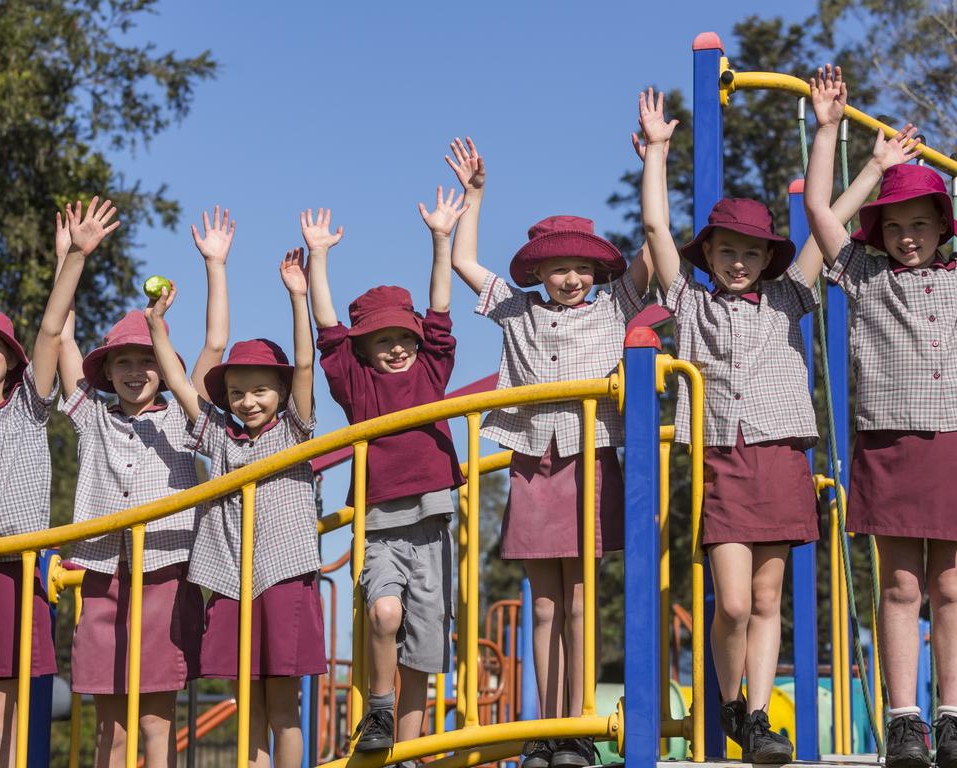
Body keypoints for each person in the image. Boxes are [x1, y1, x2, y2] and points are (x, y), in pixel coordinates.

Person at [639, 85, 829, 763]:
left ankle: (754, 717)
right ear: (711, 253)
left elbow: (825, 222)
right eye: (727, 251)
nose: (740, 262)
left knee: (770, 595)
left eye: (752, 252)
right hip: (723, 455)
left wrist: (827, 131)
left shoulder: (787, 299)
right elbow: (658, 233)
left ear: (767, 258)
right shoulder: (688, 306)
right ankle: (726, 696)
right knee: (735, 603)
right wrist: (659, 154)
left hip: (781, 455)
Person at [448, 136, 652, 768]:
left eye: (581, 267)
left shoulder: (618, 304)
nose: (571, 278)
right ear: (535, 273)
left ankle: (577, 728)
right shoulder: (517, 312)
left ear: (598, 273)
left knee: (581, 602)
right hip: (535, 463)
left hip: (591, 457)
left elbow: (654, 243)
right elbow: (463, 262)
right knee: (542, 604)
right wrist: (474, 197)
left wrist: (654, 163)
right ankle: (544, 728)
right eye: (558, 268)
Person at [804, 64, 957, 768]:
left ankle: (951, 712)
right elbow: (820, 215)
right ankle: (905, 718)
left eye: (921, 224)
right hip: (890, 441)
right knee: (900, 582)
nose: (907, 237)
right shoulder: (865, 277)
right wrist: (831, 131)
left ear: (942, 229)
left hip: (952, 438)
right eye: (894, 227)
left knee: (952, 583)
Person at [0, 196, 116, 767]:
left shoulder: (29, 407)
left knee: (1, 730)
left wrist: (75, 259)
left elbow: (50, 328)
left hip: (14, 573)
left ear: (12, 362)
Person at [59, 206, 235, 767]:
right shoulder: (93, 418)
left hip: (165, 568)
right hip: (104, 570)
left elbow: (214, 344)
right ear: (106, 373)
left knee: (156, 721)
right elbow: (59, 335)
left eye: (147, 360)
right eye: (123, 362)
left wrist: (214, 265)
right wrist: (71, 258)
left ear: (164, 368)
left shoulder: (185, 419)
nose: (136, 371)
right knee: (110, 724)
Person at [146, 247, 325, 768]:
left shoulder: (295, 429)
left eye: (262, 391)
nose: (249, 401)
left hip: (284, 571)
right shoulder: (220, 435)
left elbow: (307, 363)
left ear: (282, 392)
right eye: (239, 392)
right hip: (230, 576)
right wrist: (158, 326)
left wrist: (298, 296)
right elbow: (179, 382)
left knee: (283, 705)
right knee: (246, 700)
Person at [306, 191, 466, 756]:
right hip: (377, 521)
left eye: (404, 337)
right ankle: (378, 712)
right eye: (382, 340)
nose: (396, 349)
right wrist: (318, 258)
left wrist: (441, 239)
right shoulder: (357, 385)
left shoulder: (431, 370)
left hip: (433, 516)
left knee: (423, 643)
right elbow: (328, 332)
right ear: (365, 348)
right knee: (384, 610)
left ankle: (410, 748)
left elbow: (441, 315)